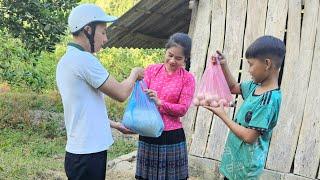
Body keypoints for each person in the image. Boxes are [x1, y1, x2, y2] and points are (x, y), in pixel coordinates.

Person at [56, 4, 143, 180]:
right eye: (103, 32)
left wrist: (115, 125)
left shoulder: (66, 60)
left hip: (80, 153)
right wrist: (134, 74)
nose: (105, 39)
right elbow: (120, 93)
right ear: (88, 29)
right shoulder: (84, 60)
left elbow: (83, 110)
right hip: (88, 154)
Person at [205, 36, 286, 179]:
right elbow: (233, 87)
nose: (249, 70)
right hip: (234, 162)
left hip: (246, 170)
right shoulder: (255, 87)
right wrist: (223, 64)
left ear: (267, 64)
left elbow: (249, 137)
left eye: (251, 64)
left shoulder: (269, 100)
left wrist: (223, 115)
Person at [135, 32, 195, 180]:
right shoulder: (151, 70)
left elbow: (183, 109)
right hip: (149, 131)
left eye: (178, 58)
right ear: (165, 51)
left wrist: (160, 102)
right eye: (170, 55)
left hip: (171, 136)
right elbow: (140, 98)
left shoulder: (187, 78)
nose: (172, 60)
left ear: (185, 58)